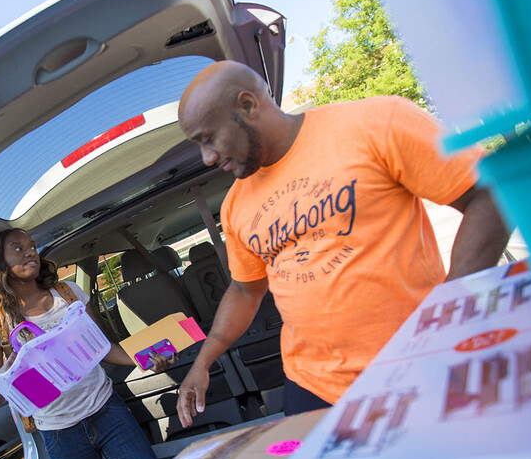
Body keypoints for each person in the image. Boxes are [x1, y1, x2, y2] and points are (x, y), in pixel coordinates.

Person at [176, 60, 510, 424]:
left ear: (248, 106)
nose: (207, 157)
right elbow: (244, 291)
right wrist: (205, 362)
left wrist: (451, 310)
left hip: (418, 363)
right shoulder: (234, 206)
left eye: (209, 138)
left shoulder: (376, 123)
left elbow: (491, 194)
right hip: (312, 387)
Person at [0, 228, 172, 459]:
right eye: (18, 249)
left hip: (108, 411)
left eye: (32, 246)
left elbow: (103, 348)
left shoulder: (68, 293)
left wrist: (147, 360)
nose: (30, 252)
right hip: (60, 434)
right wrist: (13, 366)